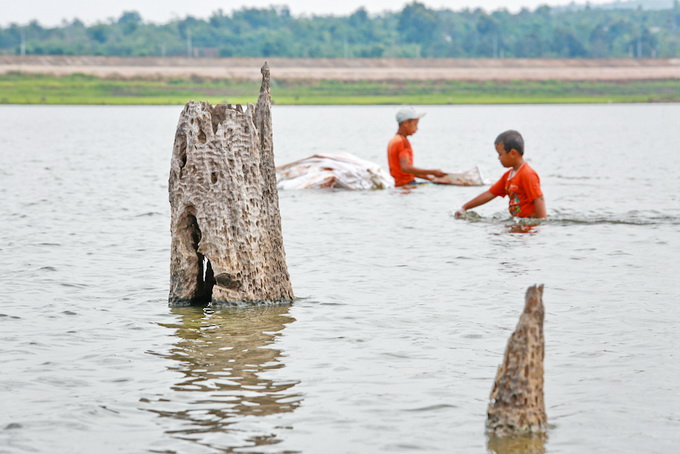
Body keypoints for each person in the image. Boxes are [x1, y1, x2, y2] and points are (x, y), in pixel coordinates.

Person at [455, 130, 546, 219]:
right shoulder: (507, 176)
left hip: (529, 227)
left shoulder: (527, 174)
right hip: (518, 224)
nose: (498, 158)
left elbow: (539, 199)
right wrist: (464, 208)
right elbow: (489, 194)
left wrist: (540, 223)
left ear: (513, 153)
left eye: (500, 154)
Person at [387, 107, 446, 186]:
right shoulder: (403, 142)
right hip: (407, 184)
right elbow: (405, 168)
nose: (417, 128)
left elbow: (407, 171)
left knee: (434, 183)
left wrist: (430, 178)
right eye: (415, 124)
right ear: (405, 123)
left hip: (399, 184)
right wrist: (432, 172)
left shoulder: (393, 140)